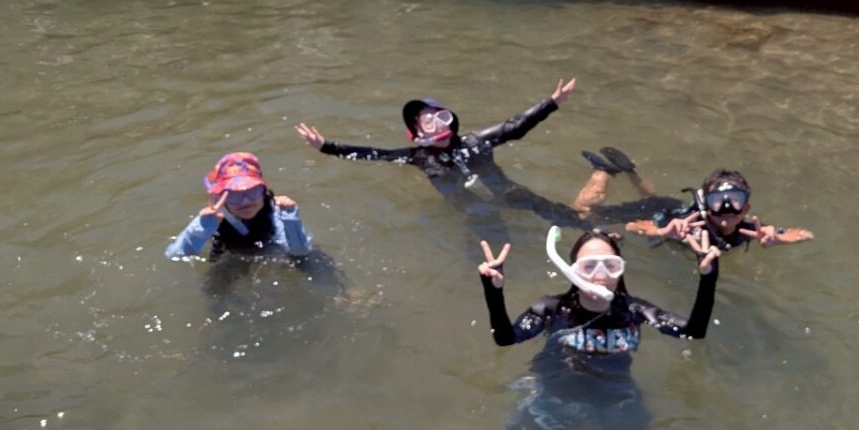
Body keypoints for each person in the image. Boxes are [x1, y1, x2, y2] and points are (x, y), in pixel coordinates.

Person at [476, 228, 720, 430]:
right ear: (572, 271)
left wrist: (708, 278)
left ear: (621, 270)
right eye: (589, 266)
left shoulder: (634, 310)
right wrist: (493, 291)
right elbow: (506, 338)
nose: (601, 276)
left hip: (616, 396)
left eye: (611, 266)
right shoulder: (551, 308)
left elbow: (693, 332)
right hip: (556, 396)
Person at [294, 79, 586, 227]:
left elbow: (515, 127)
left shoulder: (474, 141)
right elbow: (372, 153)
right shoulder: (417, 157)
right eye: (426, 119)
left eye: (438, 115)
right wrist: (327, 147)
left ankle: (592, 229)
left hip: (507, 192)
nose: (434, 121)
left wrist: (552, 102)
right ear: (418, 133)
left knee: (555, 212)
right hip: (472, 208)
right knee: (493, 240)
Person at [571, 157, 813, 254]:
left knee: (652, 196)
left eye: (735, 202)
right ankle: (602, 172)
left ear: (746, 209)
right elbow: (634, 227)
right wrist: (661, 231)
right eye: (718, 202)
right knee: (584, 213)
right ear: (706, 206)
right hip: (664, 214)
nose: (727, 210)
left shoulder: (750, 231)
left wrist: (779, 238)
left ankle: (631, 171)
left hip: (669, 208)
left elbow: (804, 233)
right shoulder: (691, 225)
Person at [164, 152, 313, 260]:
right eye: (234, 195)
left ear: (264, 193)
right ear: (220, 197)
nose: (245, 201)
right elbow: (176, 255)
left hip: (272, 254)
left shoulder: (276, 213)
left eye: (253, 192)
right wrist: (201, 227)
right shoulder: (211, 219)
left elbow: (300, 253)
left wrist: (290, 219)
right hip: (232, 258)